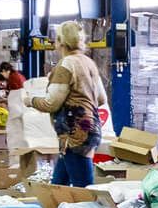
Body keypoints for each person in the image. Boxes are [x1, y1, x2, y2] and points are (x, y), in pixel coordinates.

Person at [31, 20, 107, 186]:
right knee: (58, 185)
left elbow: (51, 104)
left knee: (84, 189)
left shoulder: (66, 65)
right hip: (89, 129)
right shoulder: (88, 63)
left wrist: (30, 100)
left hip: (75, 135)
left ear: (60, 42)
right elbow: (101, 99)